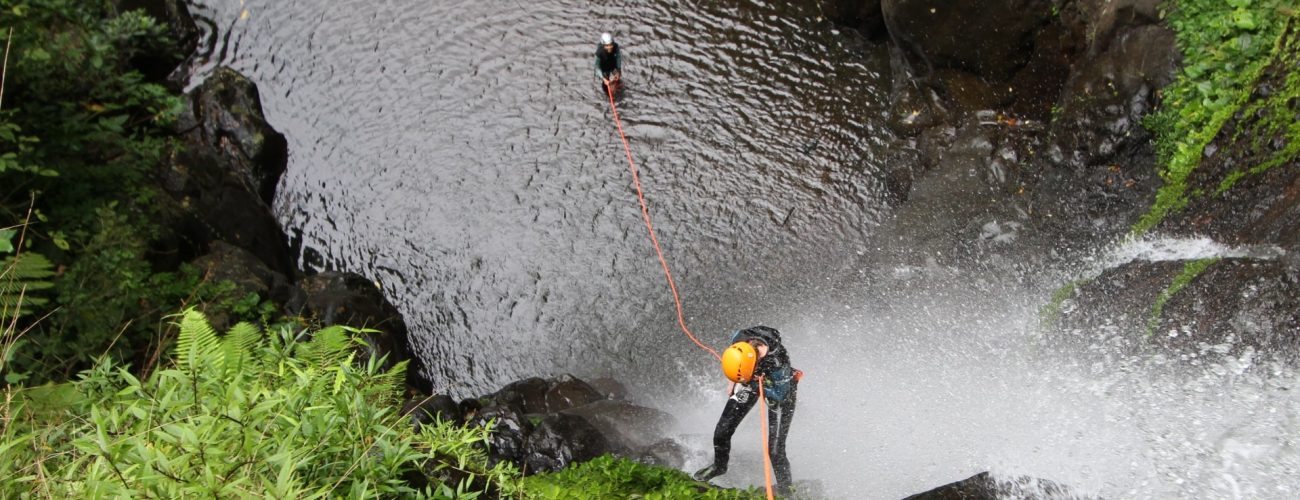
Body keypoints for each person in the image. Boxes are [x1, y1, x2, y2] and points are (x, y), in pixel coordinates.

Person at [694, 326, 801, 494]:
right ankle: (719, 466)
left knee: (774, 450)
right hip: (749, 380)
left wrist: (758, 381)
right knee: (722, 431)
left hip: (780, 390)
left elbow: (778, 397)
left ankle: (787, 492)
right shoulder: (739, 339)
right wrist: (733, 382)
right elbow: (733, 362)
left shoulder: (777, 360)